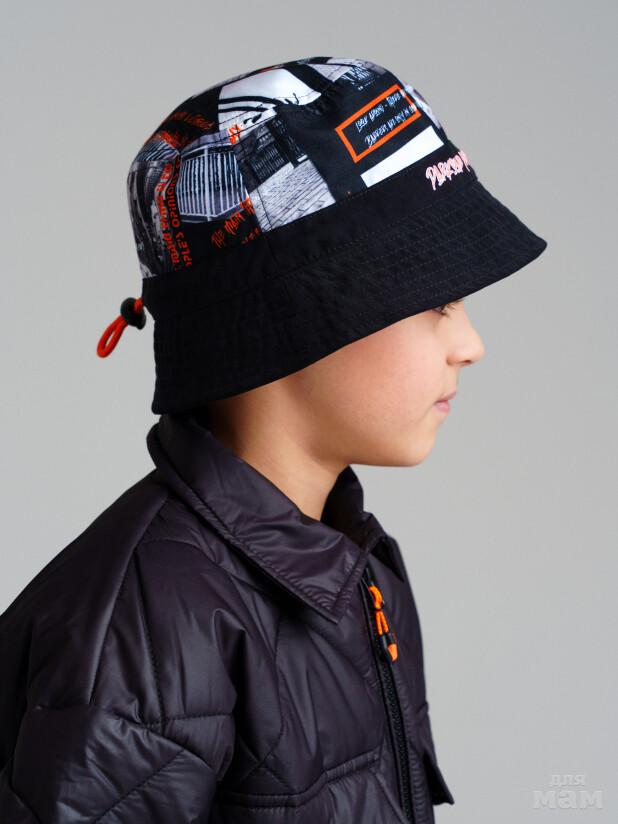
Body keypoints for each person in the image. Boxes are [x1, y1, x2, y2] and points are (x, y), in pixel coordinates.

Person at [0, 56, 547, 823]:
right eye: (438, 302)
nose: (471, 345)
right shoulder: (152, 630)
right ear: (296, 311)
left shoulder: (355, 566)